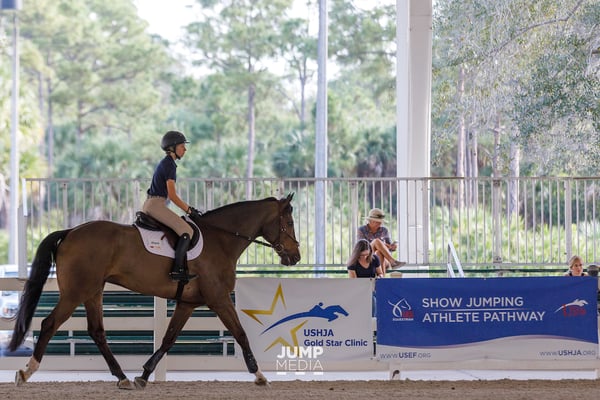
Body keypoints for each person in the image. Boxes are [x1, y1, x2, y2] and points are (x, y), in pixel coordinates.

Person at [143, 130, 198, 283]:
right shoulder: (170, 166)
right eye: (182, 146)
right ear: (172, 148)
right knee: (187, 230)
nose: (185, 149)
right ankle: (177, 270)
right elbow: (172, 196)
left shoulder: (166, 163)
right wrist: (189, 210)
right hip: (156, 205)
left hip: (151, 203)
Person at [357, 208, 405, 275]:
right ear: (370, 221)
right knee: (376, 241)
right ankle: (393, 262)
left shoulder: (384, 230)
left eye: (380, 222)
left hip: (383, 260)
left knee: (379, 253)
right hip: (367, 257)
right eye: (377, 221)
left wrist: (391, 247)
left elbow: (389, 247)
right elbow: (361, 247)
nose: (379, 223)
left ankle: (382, 279)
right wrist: (378, 244)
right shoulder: (361, 230)